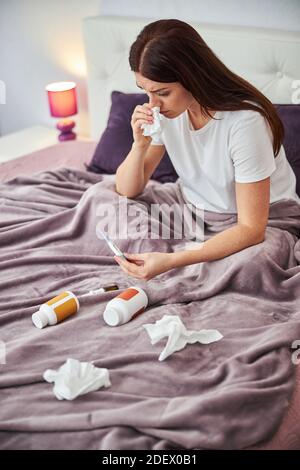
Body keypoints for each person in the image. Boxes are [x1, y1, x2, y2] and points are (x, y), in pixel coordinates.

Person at [114, 18, 300, 281]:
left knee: (251, 268)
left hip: (258, 220)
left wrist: (172, 260)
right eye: (145, 91)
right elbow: (127, 189)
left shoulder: (245, 123)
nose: (152, 104)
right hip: (192, 208)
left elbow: (251, 229)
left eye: (163, 93)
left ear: (192, 77)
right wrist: (139, 145)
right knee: (105, 202)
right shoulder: (165, 113)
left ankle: (177, 260)